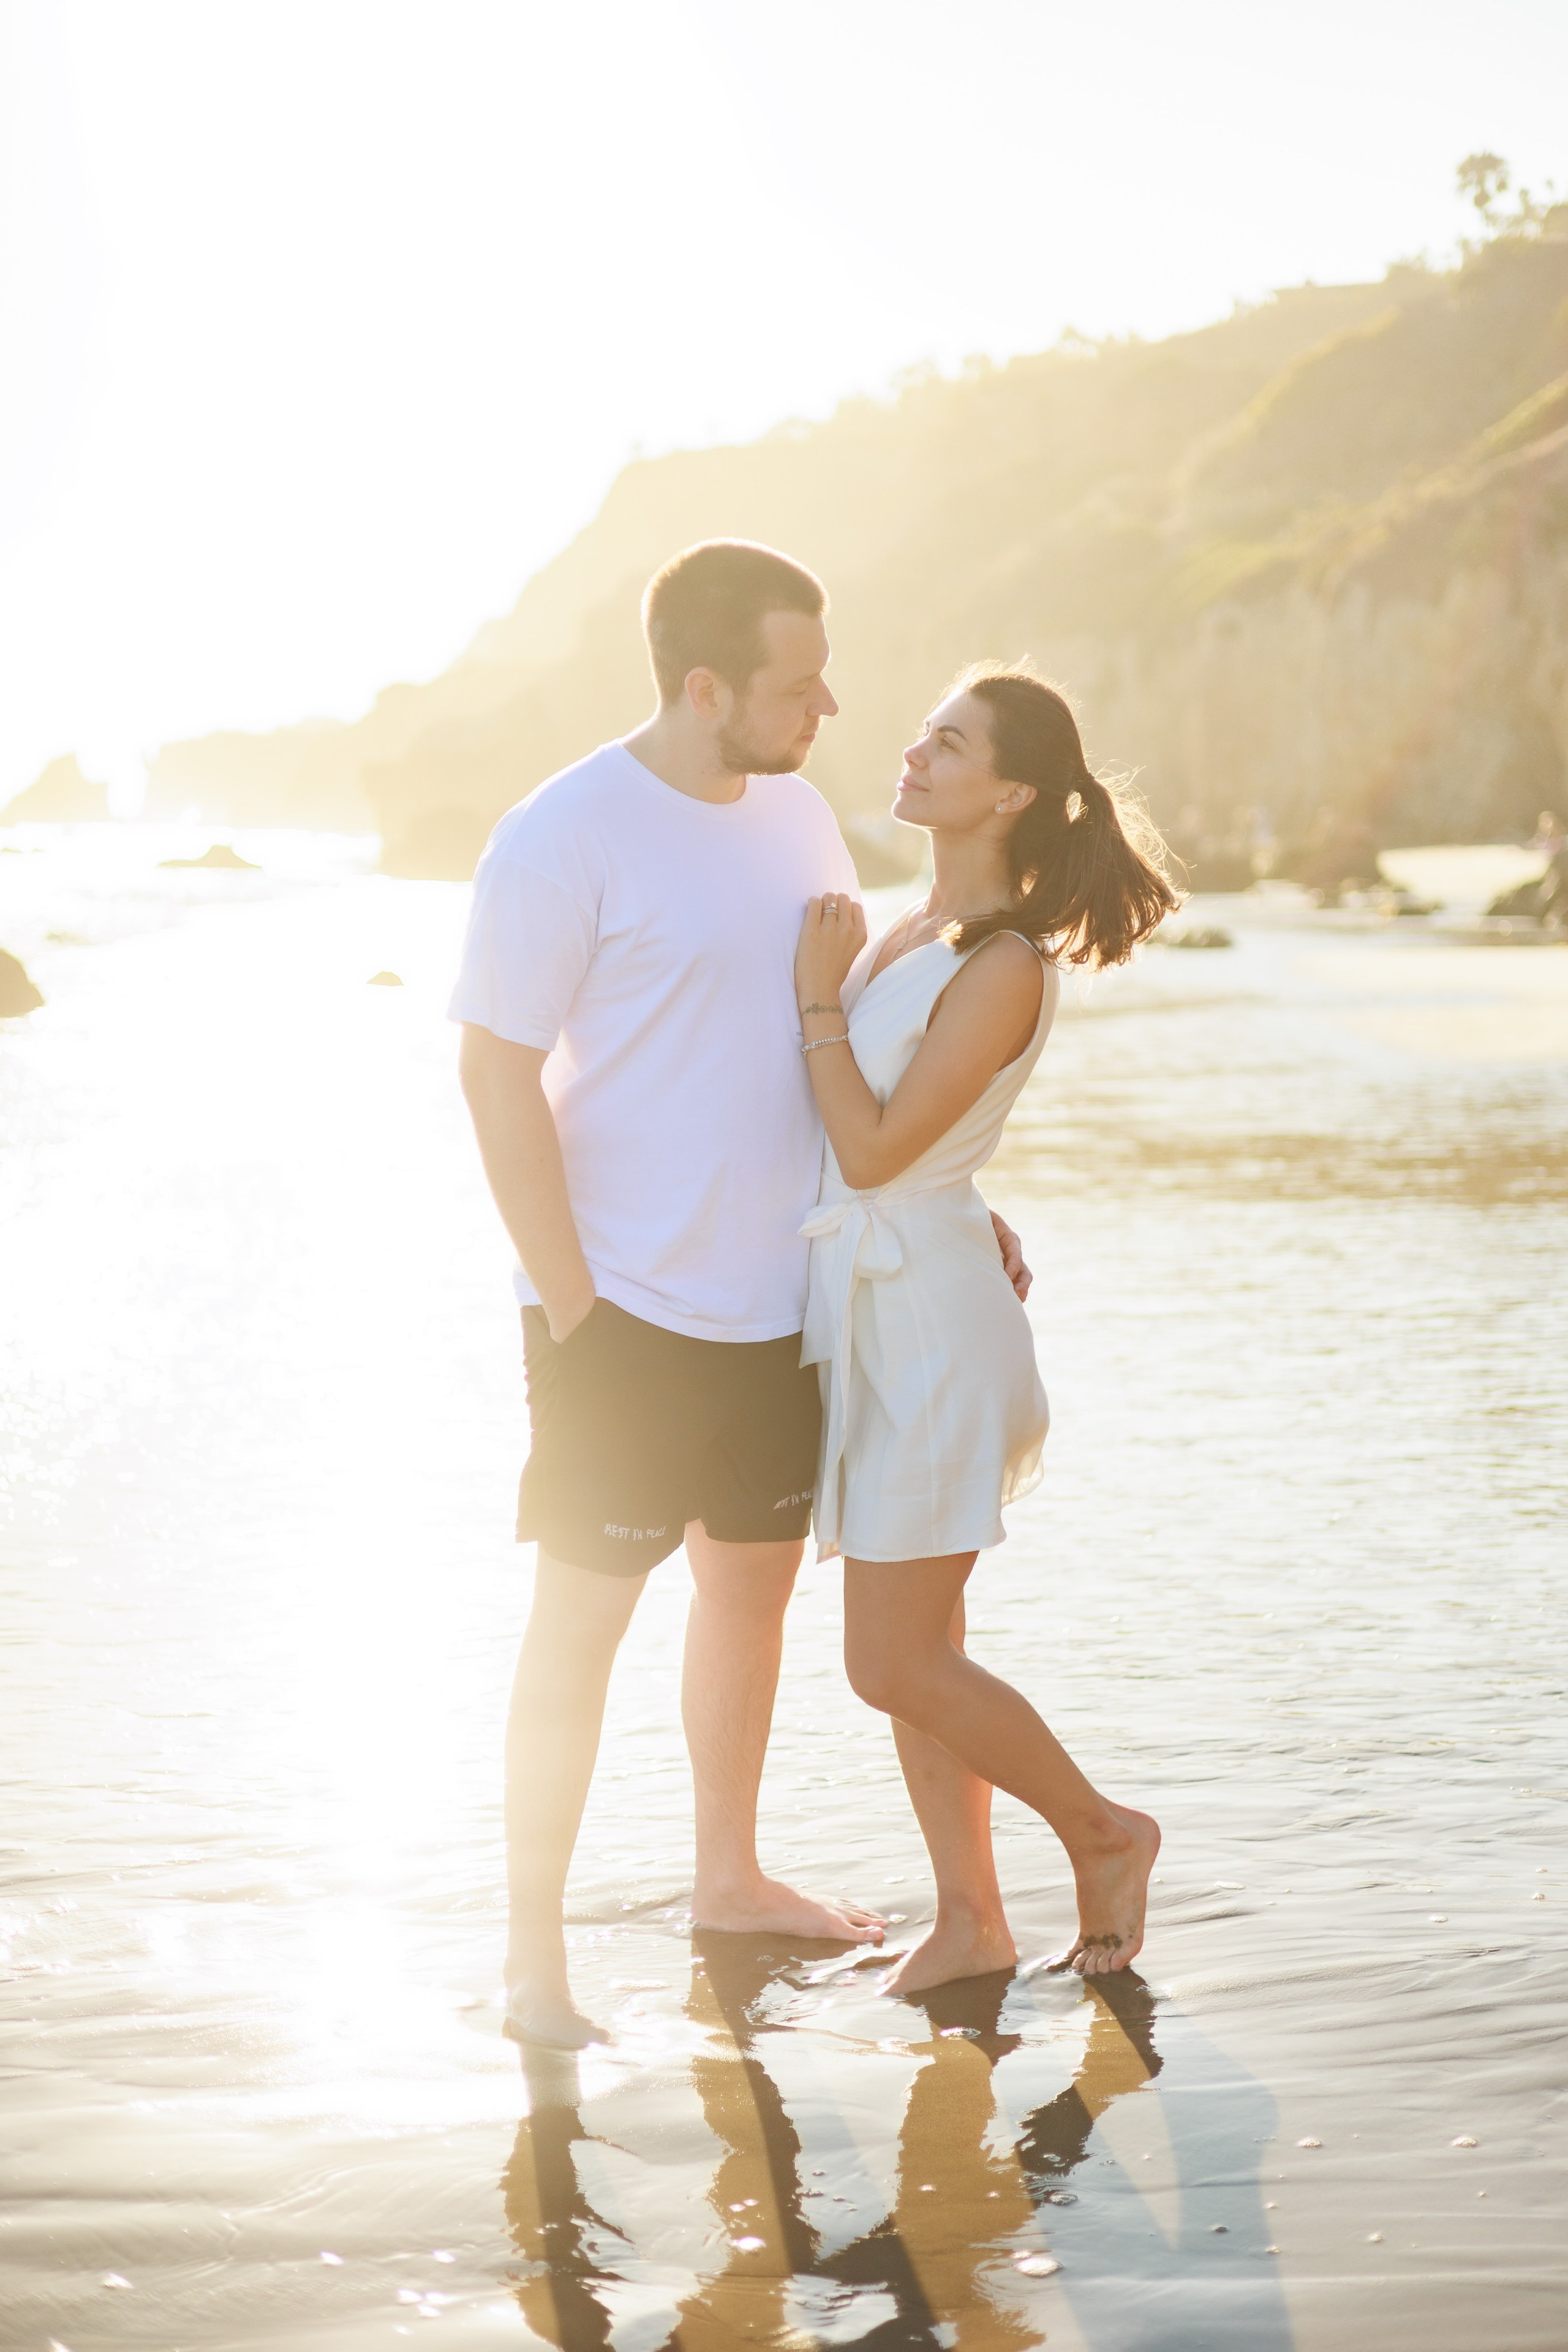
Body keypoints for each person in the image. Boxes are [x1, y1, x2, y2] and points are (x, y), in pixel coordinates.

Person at [450, 543, 1030, 2048]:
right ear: (704, 687)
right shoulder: (558, 836)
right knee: (575, 1631)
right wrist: (576, 1312)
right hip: (619, 1310)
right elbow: (494, 1072)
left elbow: (823, 1040)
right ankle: (533, 1964)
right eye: (795, 683)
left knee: (749, 1600)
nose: (828, 705)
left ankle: (727, 1876)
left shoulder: (796, 820)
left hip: (786, 1305)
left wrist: (958, 1190)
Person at [793, 663, 1178, 1991]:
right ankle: (970, 1921)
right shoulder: (907, 933)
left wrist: (809, 1002)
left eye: (946, 743)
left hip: (931, 1340)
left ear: (1010, 790)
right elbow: (918, 1142)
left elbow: (876, 1153)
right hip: (891, 1311)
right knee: (921, 1659)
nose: (913, 752)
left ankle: (1103, 1831)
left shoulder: (1004, 957)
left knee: (885, 1660)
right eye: (921, 732)